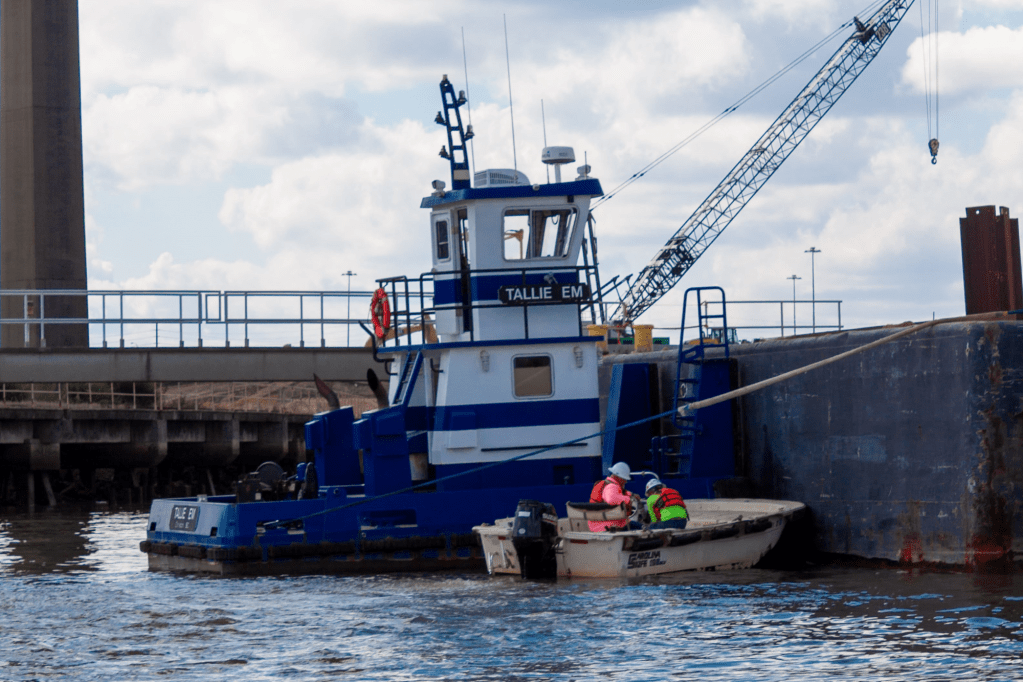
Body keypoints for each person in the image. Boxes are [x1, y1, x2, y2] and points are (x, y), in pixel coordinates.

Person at [588, 462, 641, 531]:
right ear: (619, 477)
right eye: (624, 479)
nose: (625, 481)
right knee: (642, 527)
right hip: (609, 525)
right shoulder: (611, 487)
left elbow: (617, 494)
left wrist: (631, 495)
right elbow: (611, 499)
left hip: (599, 525)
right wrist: (629, 500)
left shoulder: (607, 485)